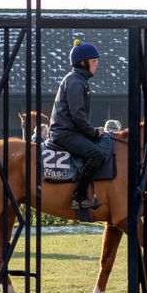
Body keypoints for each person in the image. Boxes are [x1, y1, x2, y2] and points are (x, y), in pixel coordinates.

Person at [48, 39, 110, 210]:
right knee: (97, 155)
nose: (96, 64)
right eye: (94, 61)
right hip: (65, 134)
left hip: (70, 131)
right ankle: (79, 197)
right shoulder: (75, 82)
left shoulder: (79, 80)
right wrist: (93, 132)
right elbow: (77, 115)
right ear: (83, 63)